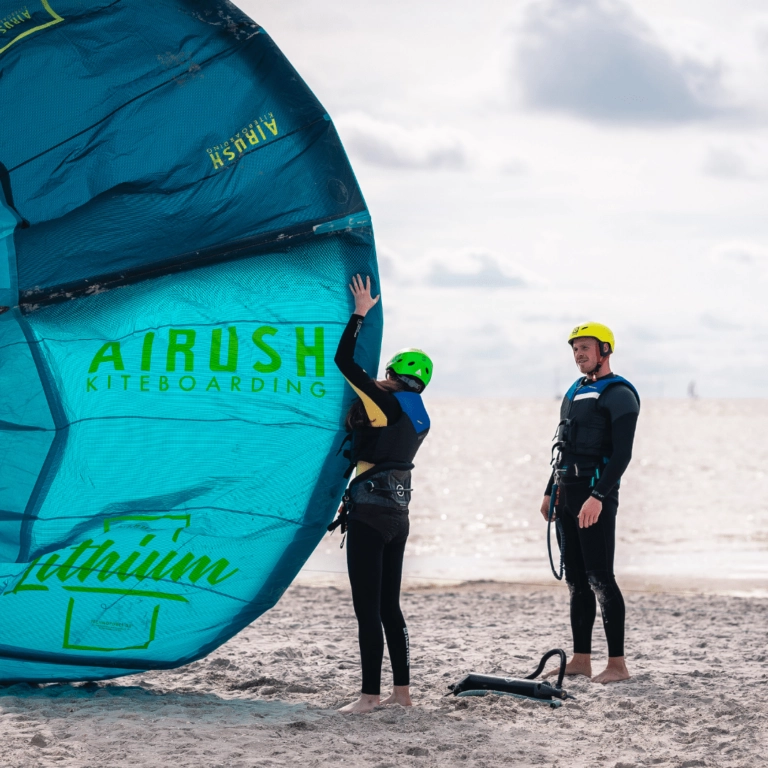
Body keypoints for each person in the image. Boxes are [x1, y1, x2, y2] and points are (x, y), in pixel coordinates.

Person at [331, 274, 432, 714]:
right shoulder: (421, 415)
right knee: (390, 607)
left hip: (370, 514)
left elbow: (344, 362)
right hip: (399, 516)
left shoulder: (383, 403)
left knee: (366, 609)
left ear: (393, 374)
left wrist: (359, 313)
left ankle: (369, 696)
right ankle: (402, 695)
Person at [540, 322, 640, 684]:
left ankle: (617, 664)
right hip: (567, 493)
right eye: (575, 349)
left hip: (595, 496)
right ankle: (581, 659)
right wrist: (551, 489)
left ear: (605, 350)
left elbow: (622, 455)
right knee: (576, 581)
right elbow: (563, 446)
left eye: (585, 347)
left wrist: (598, 497)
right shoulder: (574, 391)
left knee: (601, 578)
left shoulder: (619, 394)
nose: (579, 354)